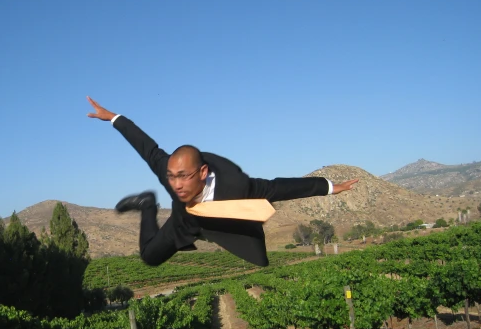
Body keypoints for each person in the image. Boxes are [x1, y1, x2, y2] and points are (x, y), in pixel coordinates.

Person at [86, 96, 358, 267]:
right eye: (171, 178)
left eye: (183, 177)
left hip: (218, 220)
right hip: (184, 223)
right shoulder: (171, 174)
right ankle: (147, 205)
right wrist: (113, 118)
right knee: (149, 258)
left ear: (203, 173)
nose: (176, 184)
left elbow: (279, 188)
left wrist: (330, 187)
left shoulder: (238, 188)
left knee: (257, 254)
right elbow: (147, 148)